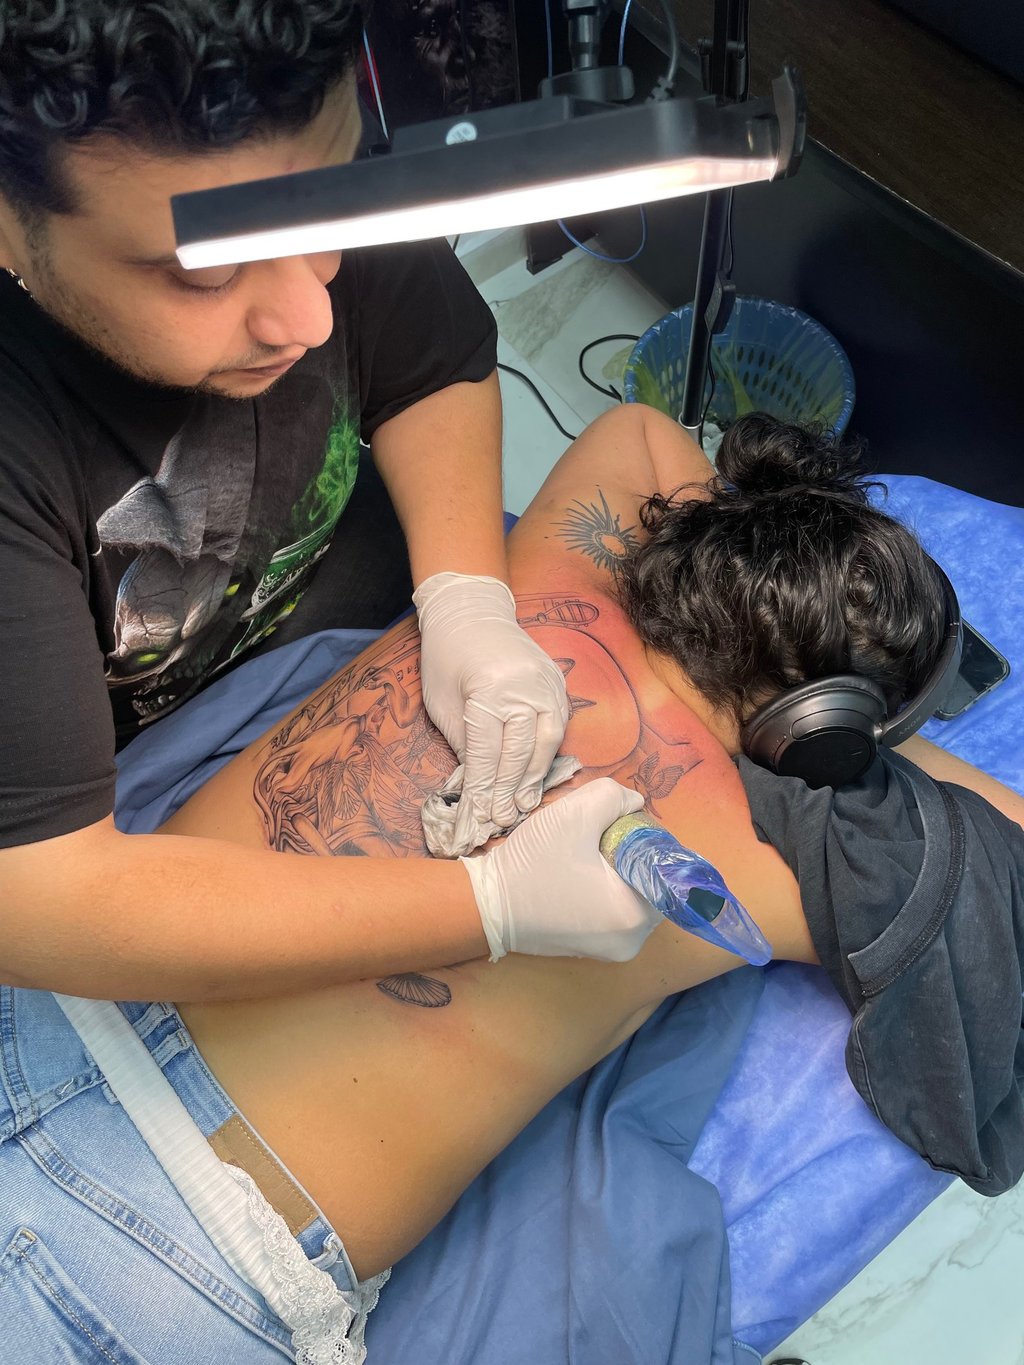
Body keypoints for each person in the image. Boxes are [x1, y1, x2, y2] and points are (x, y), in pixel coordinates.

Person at [3, 403, 1022, 1361]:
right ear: (824, 725)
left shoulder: (539, 583)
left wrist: (758, 547)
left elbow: (641, 431)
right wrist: (849, 746)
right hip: (189, 1240)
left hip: (59, 993)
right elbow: (1004, 843)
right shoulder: (754, 862)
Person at [0, 0, 690, 1008]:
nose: (310, 313)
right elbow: (44, 903)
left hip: (328, 601)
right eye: (209, 273)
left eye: (330, 216)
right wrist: (492, 906)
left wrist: (466, 596)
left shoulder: (278, 152)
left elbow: (433, 364)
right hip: (115, 768)